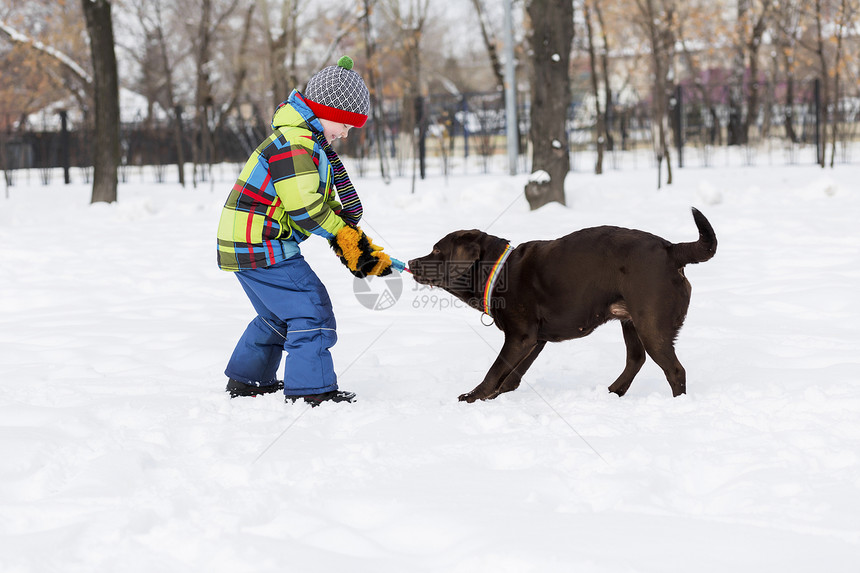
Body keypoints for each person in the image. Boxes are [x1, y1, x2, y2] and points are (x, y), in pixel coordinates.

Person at [217, 56, 399, 406]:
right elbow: (305, 208)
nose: (345, 134)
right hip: (262, 244)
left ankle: (248, 380)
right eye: (345, 125)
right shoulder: (297, 144)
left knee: (279, 314)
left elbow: (315, 200)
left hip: (247, 244)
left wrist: (351, 239)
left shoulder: (302, 141)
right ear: (323, 109)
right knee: (310, 309)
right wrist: (341, 235)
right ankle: (312, 390)